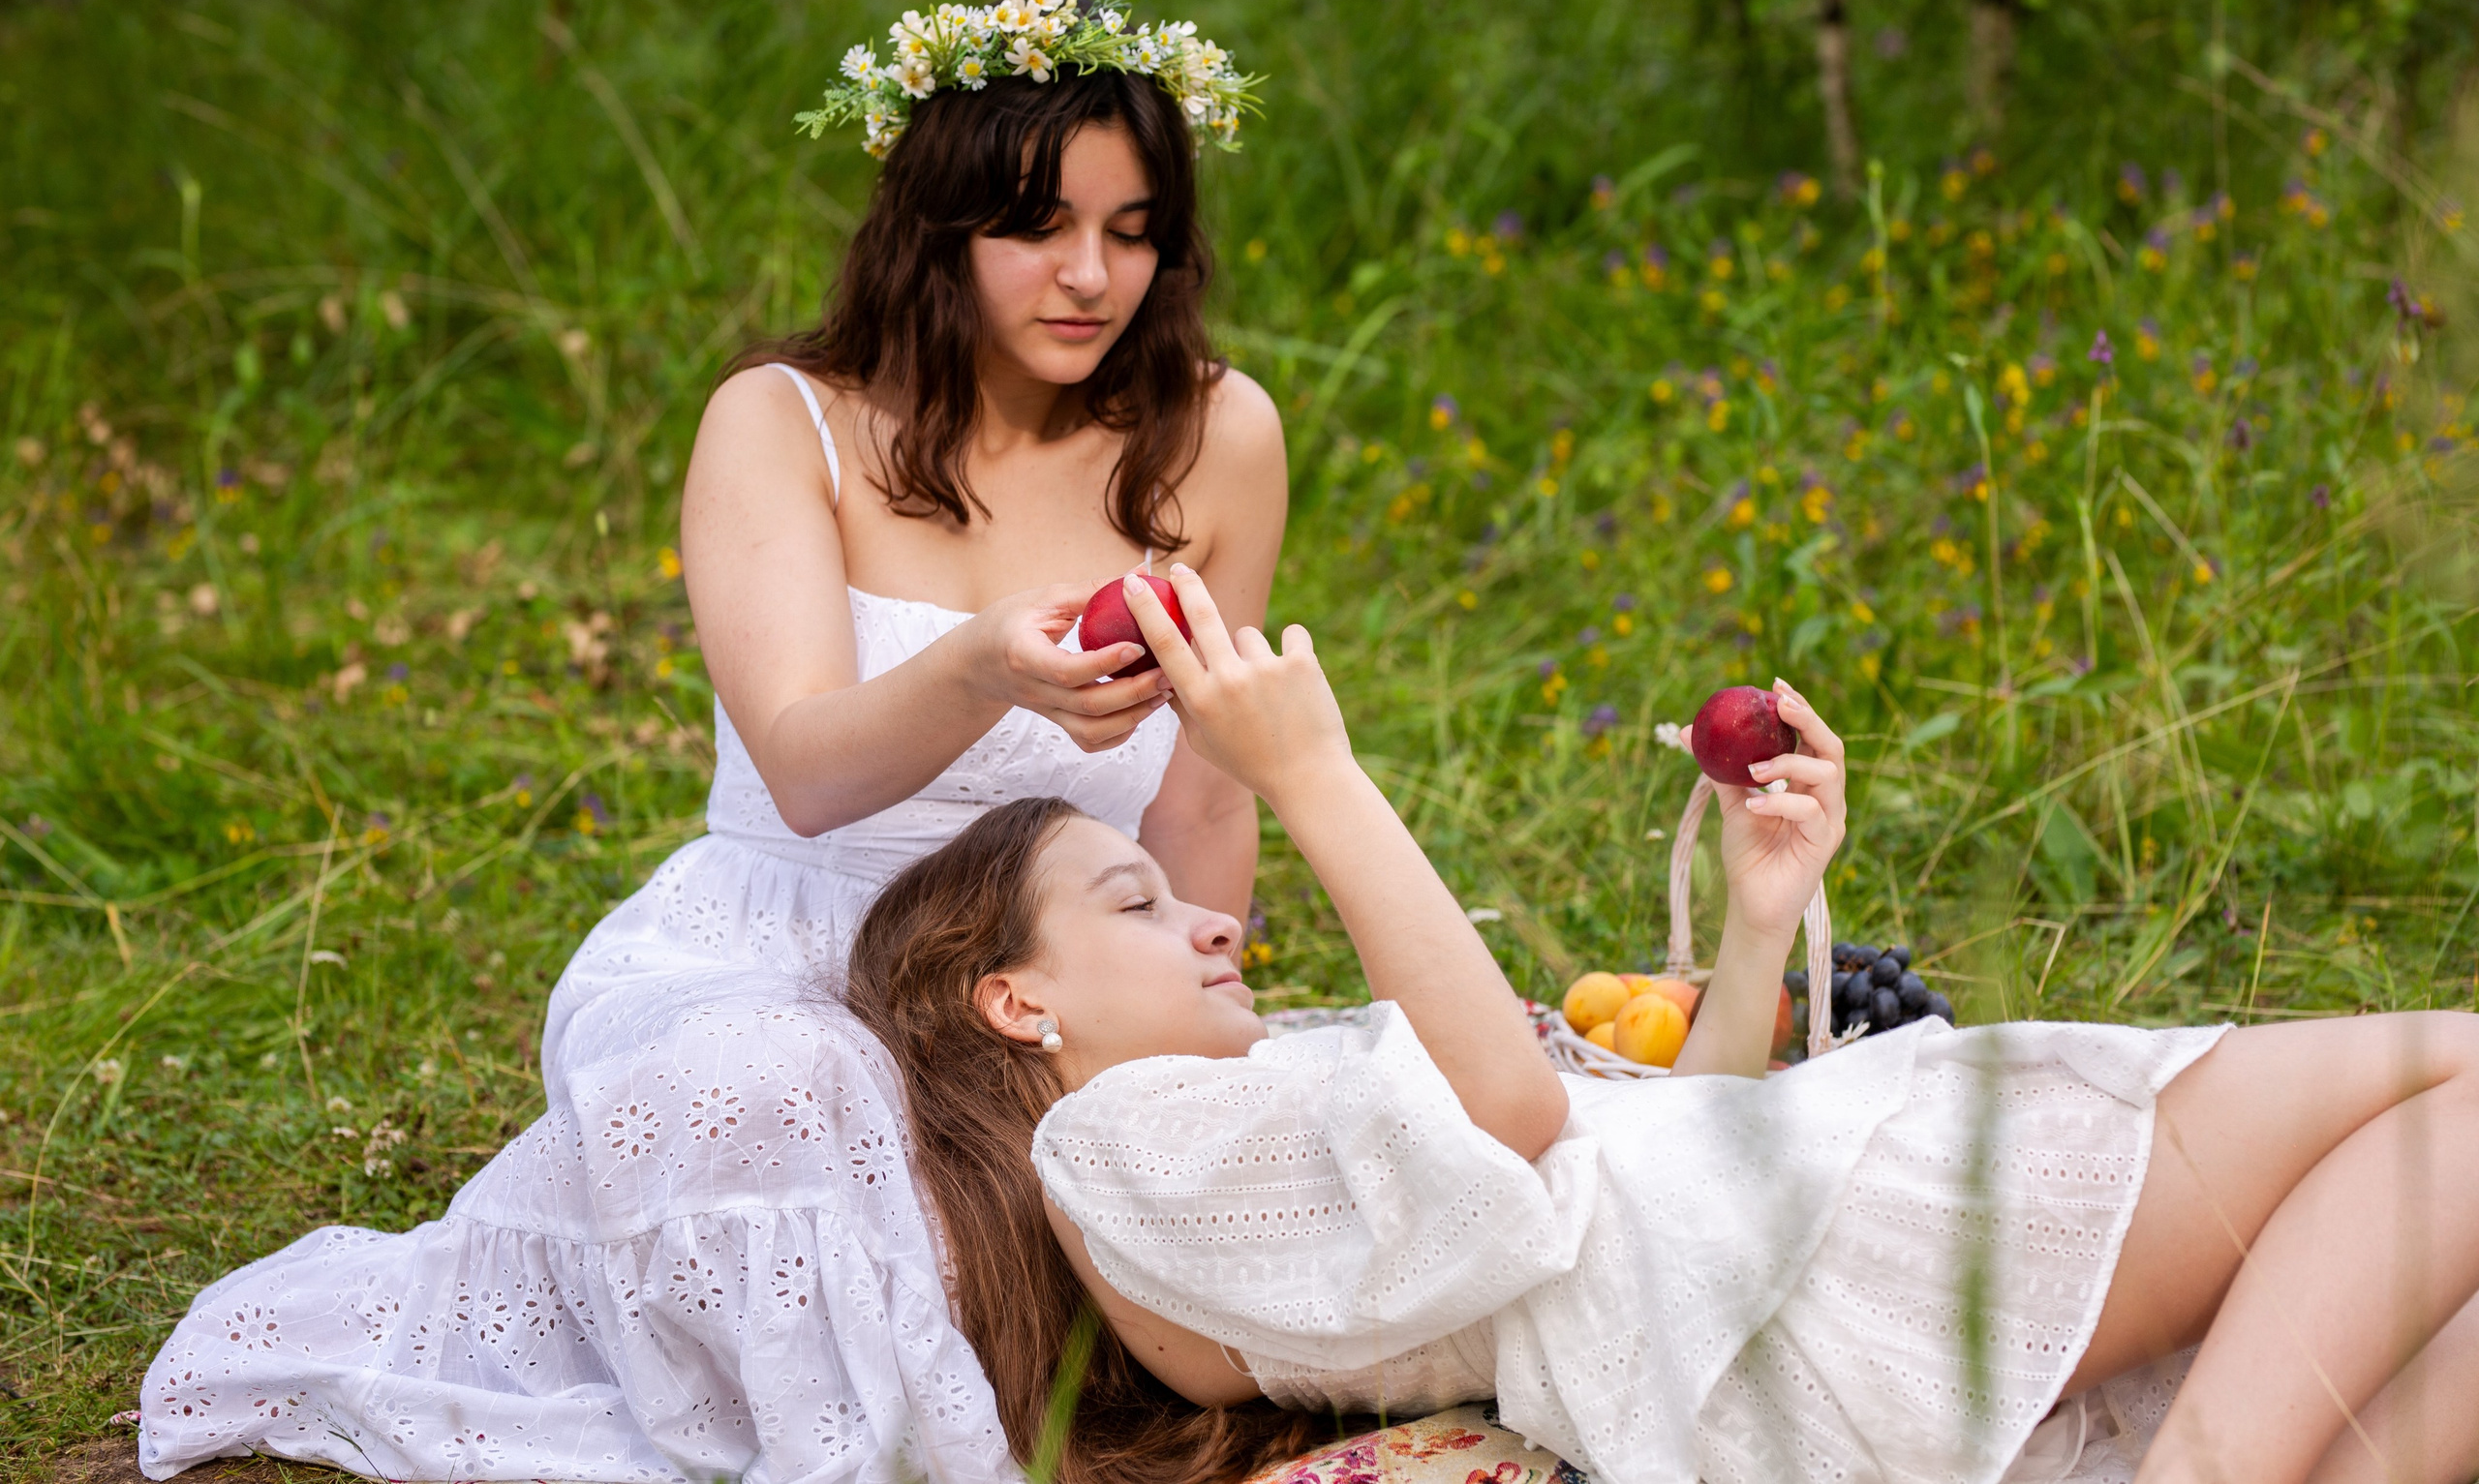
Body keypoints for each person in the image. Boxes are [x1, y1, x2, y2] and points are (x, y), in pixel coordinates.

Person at [138, 0, 1279, 1484]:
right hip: (794, 946)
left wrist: (1193, 1018)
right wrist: (982, 673)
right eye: (1036, 227)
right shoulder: (784, 420)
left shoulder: (1216, 433)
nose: (1091, 276)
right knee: (777, 1100)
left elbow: (1205, 796)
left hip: (1060, 967)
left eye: (1133, 232)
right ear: (935, 228)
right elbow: (806, 770)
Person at [844, 567, 2479, 1484]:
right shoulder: (1111, 1156)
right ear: (1016, 1000)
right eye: (1137, 905)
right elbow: (1517, 1127)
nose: (1211, 920)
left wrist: (1761, 920)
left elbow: (1626, 1177)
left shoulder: (1220, 1127)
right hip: (1840, 1257)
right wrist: (1311, 776)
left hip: (1785, 1256)